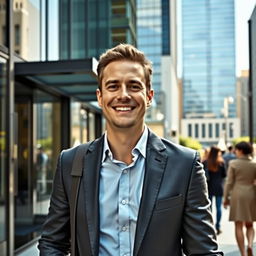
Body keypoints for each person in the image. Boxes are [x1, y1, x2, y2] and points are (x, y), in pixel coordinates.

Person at [38, 44, 223, 255]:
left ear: (149, 96)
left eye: (134, 86)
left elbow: (204, 251)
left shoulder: (185, 164)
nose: (123, 95)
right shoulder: (70, 162)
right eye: (113, 86)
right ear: (100, 97)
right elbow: (52, 243)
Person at [223, 141, 256, 256]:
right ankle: (251, 245)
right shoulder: (254, 163)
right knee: (250, 224)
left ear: (241, 150)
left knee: (238, 225)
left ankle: (243, 253)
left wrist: (225, 198)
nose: (235, 152)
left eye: (236, 150)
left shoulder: (233, 163)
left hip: (237, 194)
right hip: (251, 194)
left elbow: (229, 182)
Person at [203, 146, 226, 235]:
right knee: (219, 208)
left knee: (209, 208)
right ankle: (218, 226)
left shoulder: (206, 162)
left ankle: (210, 226)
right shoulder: (221, 163)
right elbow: (224, 175)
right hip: (219, 187)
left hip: (208, 187)